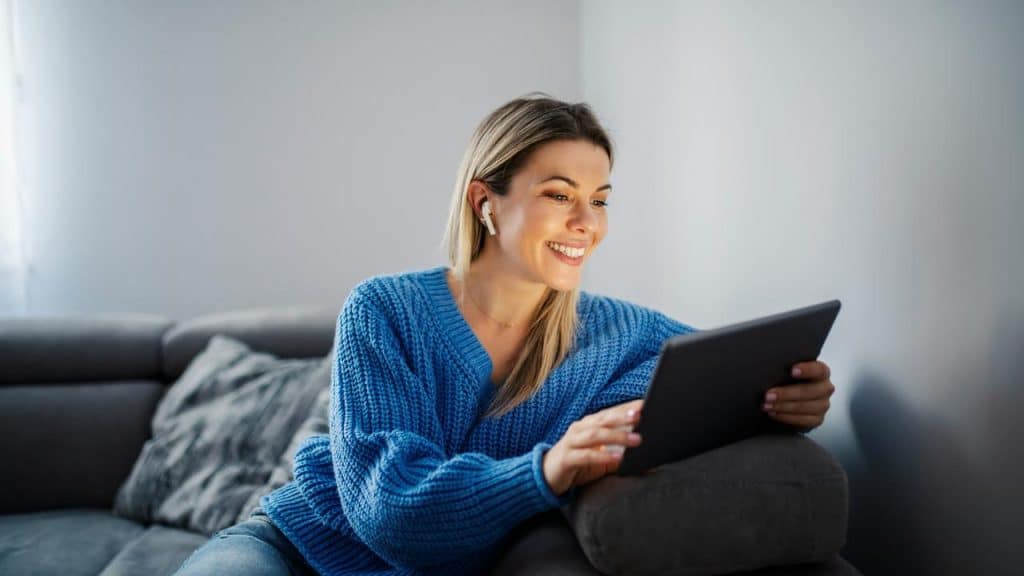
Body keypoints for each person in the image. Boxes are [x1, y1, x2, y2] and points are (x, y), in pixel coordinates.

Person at [175, 93, 835, 575]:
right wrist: (545, 470)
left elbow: (715, 386)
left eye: (600, 198)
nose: (587, 222)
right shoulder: (382, 310)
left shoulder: (623, 334)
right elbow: (391, 512)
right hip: (296, 548)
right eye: (558, 193)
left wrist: (788, 404)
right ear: (485, 202)